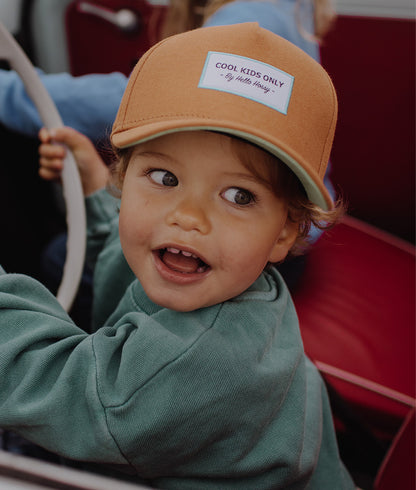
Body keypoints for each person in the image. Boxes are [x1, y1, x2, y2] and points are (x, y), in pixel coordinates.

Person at [0, 23, 354, 489]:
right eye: (164, 178)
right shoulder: (199, 267)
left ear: (285, 232)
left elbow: (61, 391)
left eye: (239, 196)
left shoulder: (212, 355)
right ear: (123, 180)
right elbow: (118, 257)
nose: (188, 216)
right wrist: (93, 189)